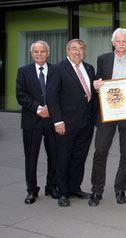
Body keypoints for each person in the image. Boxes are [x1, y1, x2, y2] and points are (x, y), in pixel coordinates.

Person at [88, 28, 126, 206]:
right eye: (117, 41)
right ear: (113, 43)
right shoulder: (103, 59)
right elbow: (98, 79)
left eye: (124, 41)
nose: (121, 44)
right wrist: (96, 84)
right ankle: (97, 190)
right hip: (107, 113)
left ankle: (120, 189)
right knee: (100, 152)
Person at [47, 39, 97, 207]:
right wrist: (57, 121)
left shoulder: (89, 68)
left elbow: (91, 95)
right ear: (67, 51)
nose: (78, 52)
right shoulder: (57, 69)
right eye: (74, 49)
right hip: (66, 123)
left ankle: (75, 187)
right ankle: (63, 192)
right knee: (64, 157)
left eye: (81, 49)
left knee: (79, 157)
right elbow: (51, 97)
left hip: (86, 123)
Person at [16, 40, 57, 204]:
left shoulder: (56, 70)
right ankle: (32, 190)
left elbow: (60, 92)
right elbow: (21, 95)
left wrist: (50, 109)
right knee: (31, 157)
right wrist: (39, 108)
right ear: (32, 54)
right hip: (32, 120)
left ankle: (52, 186)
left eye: (42, 51)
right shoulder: (23, 71)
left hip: (52, 120)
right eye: (36, 52)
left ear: (48, 53)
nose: (39, 54)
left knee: (54, 156)